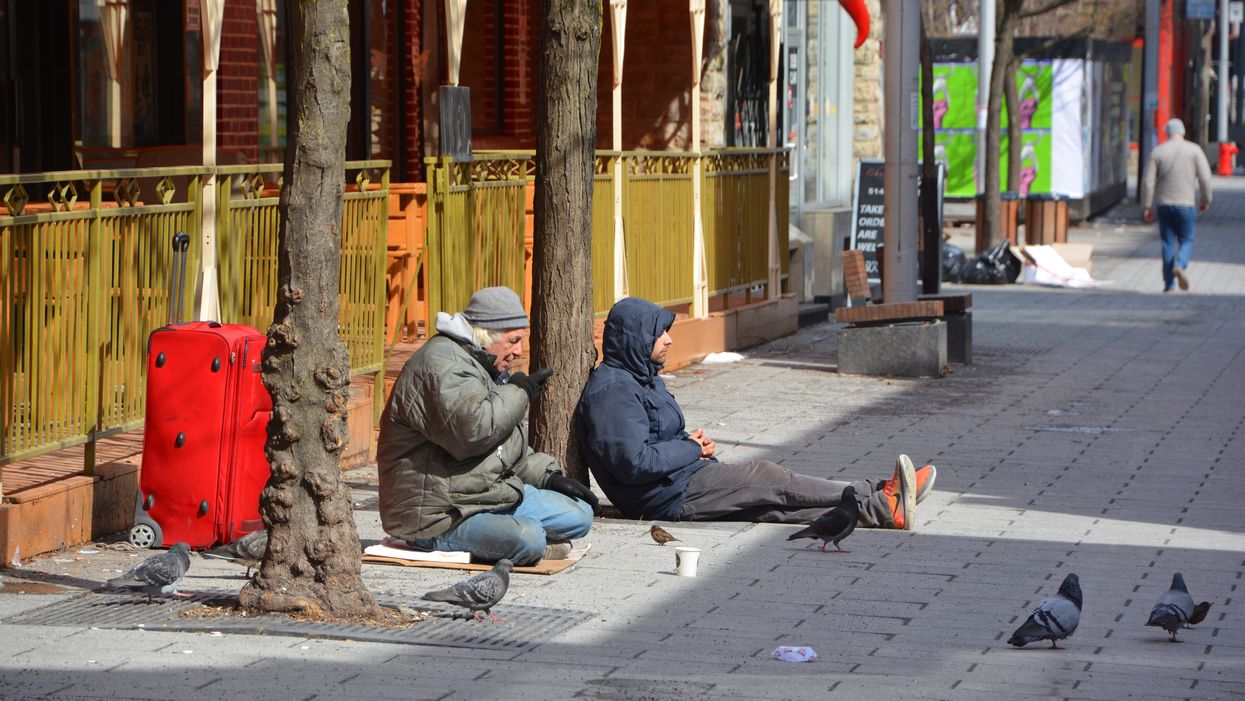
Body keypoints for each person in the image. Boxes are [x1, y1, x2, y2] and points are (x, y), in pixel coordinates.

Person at [575, 297, 936, 531]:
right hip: (670, 493)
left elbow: (655, 441)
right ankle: (876, 491)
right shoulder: (613, 391)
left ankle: (883, 511)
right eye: (659, 334)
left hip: (683, 477)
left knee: (774, 508)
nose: (669, 340)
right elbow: (633, 462)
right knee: (769, 478)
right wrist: (691, 449)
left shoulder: (643, 376)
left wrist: (690, 445)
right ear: (636, 338)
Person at [377, 286, 597, 566]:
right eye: (513, 341)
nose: (518, 351)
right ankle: (460, 541)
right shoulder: (441, 364)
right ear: (484, 335)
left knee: (579, 514)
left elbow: (503, 447)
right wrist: (519, 393)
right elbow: (474, 433)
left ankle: (510, 537)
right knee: (529, 539)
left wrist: (549, 477)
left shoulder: (483, 363)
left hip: (484, 495)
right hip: (439, 513)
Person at [1142, 118, 1213, 293]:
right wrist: (1205, 199)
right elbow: (1205, 178)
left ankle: (1169, 285)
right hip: (1186, 204)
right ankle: (1180, 264)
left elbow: (1148, 181)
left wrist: (1147, 206)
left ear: (1167, 132)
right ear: (1182, 132)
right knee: (1187, 239)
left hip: (1164, 204)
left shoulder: (1158, 151)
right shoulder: (1194, 150)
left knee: (1167, 243)